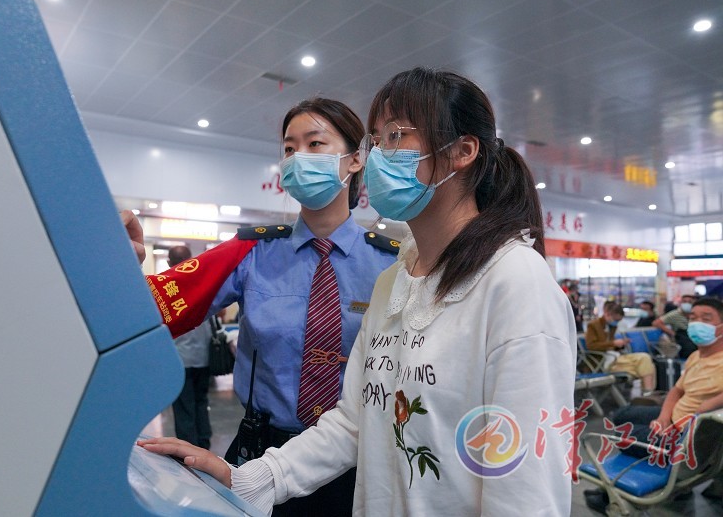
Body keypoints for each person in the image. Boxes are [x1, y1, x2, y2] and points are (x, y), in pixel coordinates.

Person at [139, 67, 576, 515]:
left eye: (395, 136)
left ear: (462, 151)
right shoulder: (394, 282)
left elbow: (526, 489)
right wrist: (249, 478)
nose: (378, 157)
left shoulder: (514, 283)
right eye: (376, 141)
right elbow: (355, 419)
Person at [135, 98, 399, 517]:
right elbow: (153, 306)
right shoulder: (251, 252)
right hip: (261, 453)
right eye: (289, 148)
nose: (298, 158)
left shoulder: (393, 264)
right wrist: (122, 265)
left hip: (358, 460)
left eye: (315, 144)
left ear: (355, 160)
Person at [584, 297, 723, 513]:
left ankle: (611, 492)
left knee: (623, 434)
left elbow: (705, 412)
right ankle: (618, 484)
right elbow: (676, 391)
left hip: (688, 436)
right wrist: (663, 418)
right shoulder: (697, 356)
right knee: (622, 414)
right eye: (693, 318)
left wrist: (680, 424)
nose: (697, 324)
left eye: (706, 319)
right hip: (677, 418)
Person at [167, 245, 213, 449]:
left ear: (169, 262)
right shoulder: (201, 282)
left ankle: (187, 451)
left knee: (184, 407)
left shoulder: (166, 288)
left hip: (179, 361)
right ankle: (203, 445)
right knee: (201, 402)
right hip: (203, 358)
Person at [585, 302, 656, 393]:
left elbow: (610, 344)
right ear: (608, 314)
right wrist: (613, 343)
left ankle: (648, 393)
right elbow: (591, 346)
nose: (617, 322)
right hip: (605, 361)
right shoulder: (593, 325)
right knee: (645, 365)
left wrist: (620, 345)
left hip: (615, 357)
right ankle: (648, 393)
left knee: (645, 358)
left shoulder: (611, 326)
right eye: (616, 320)